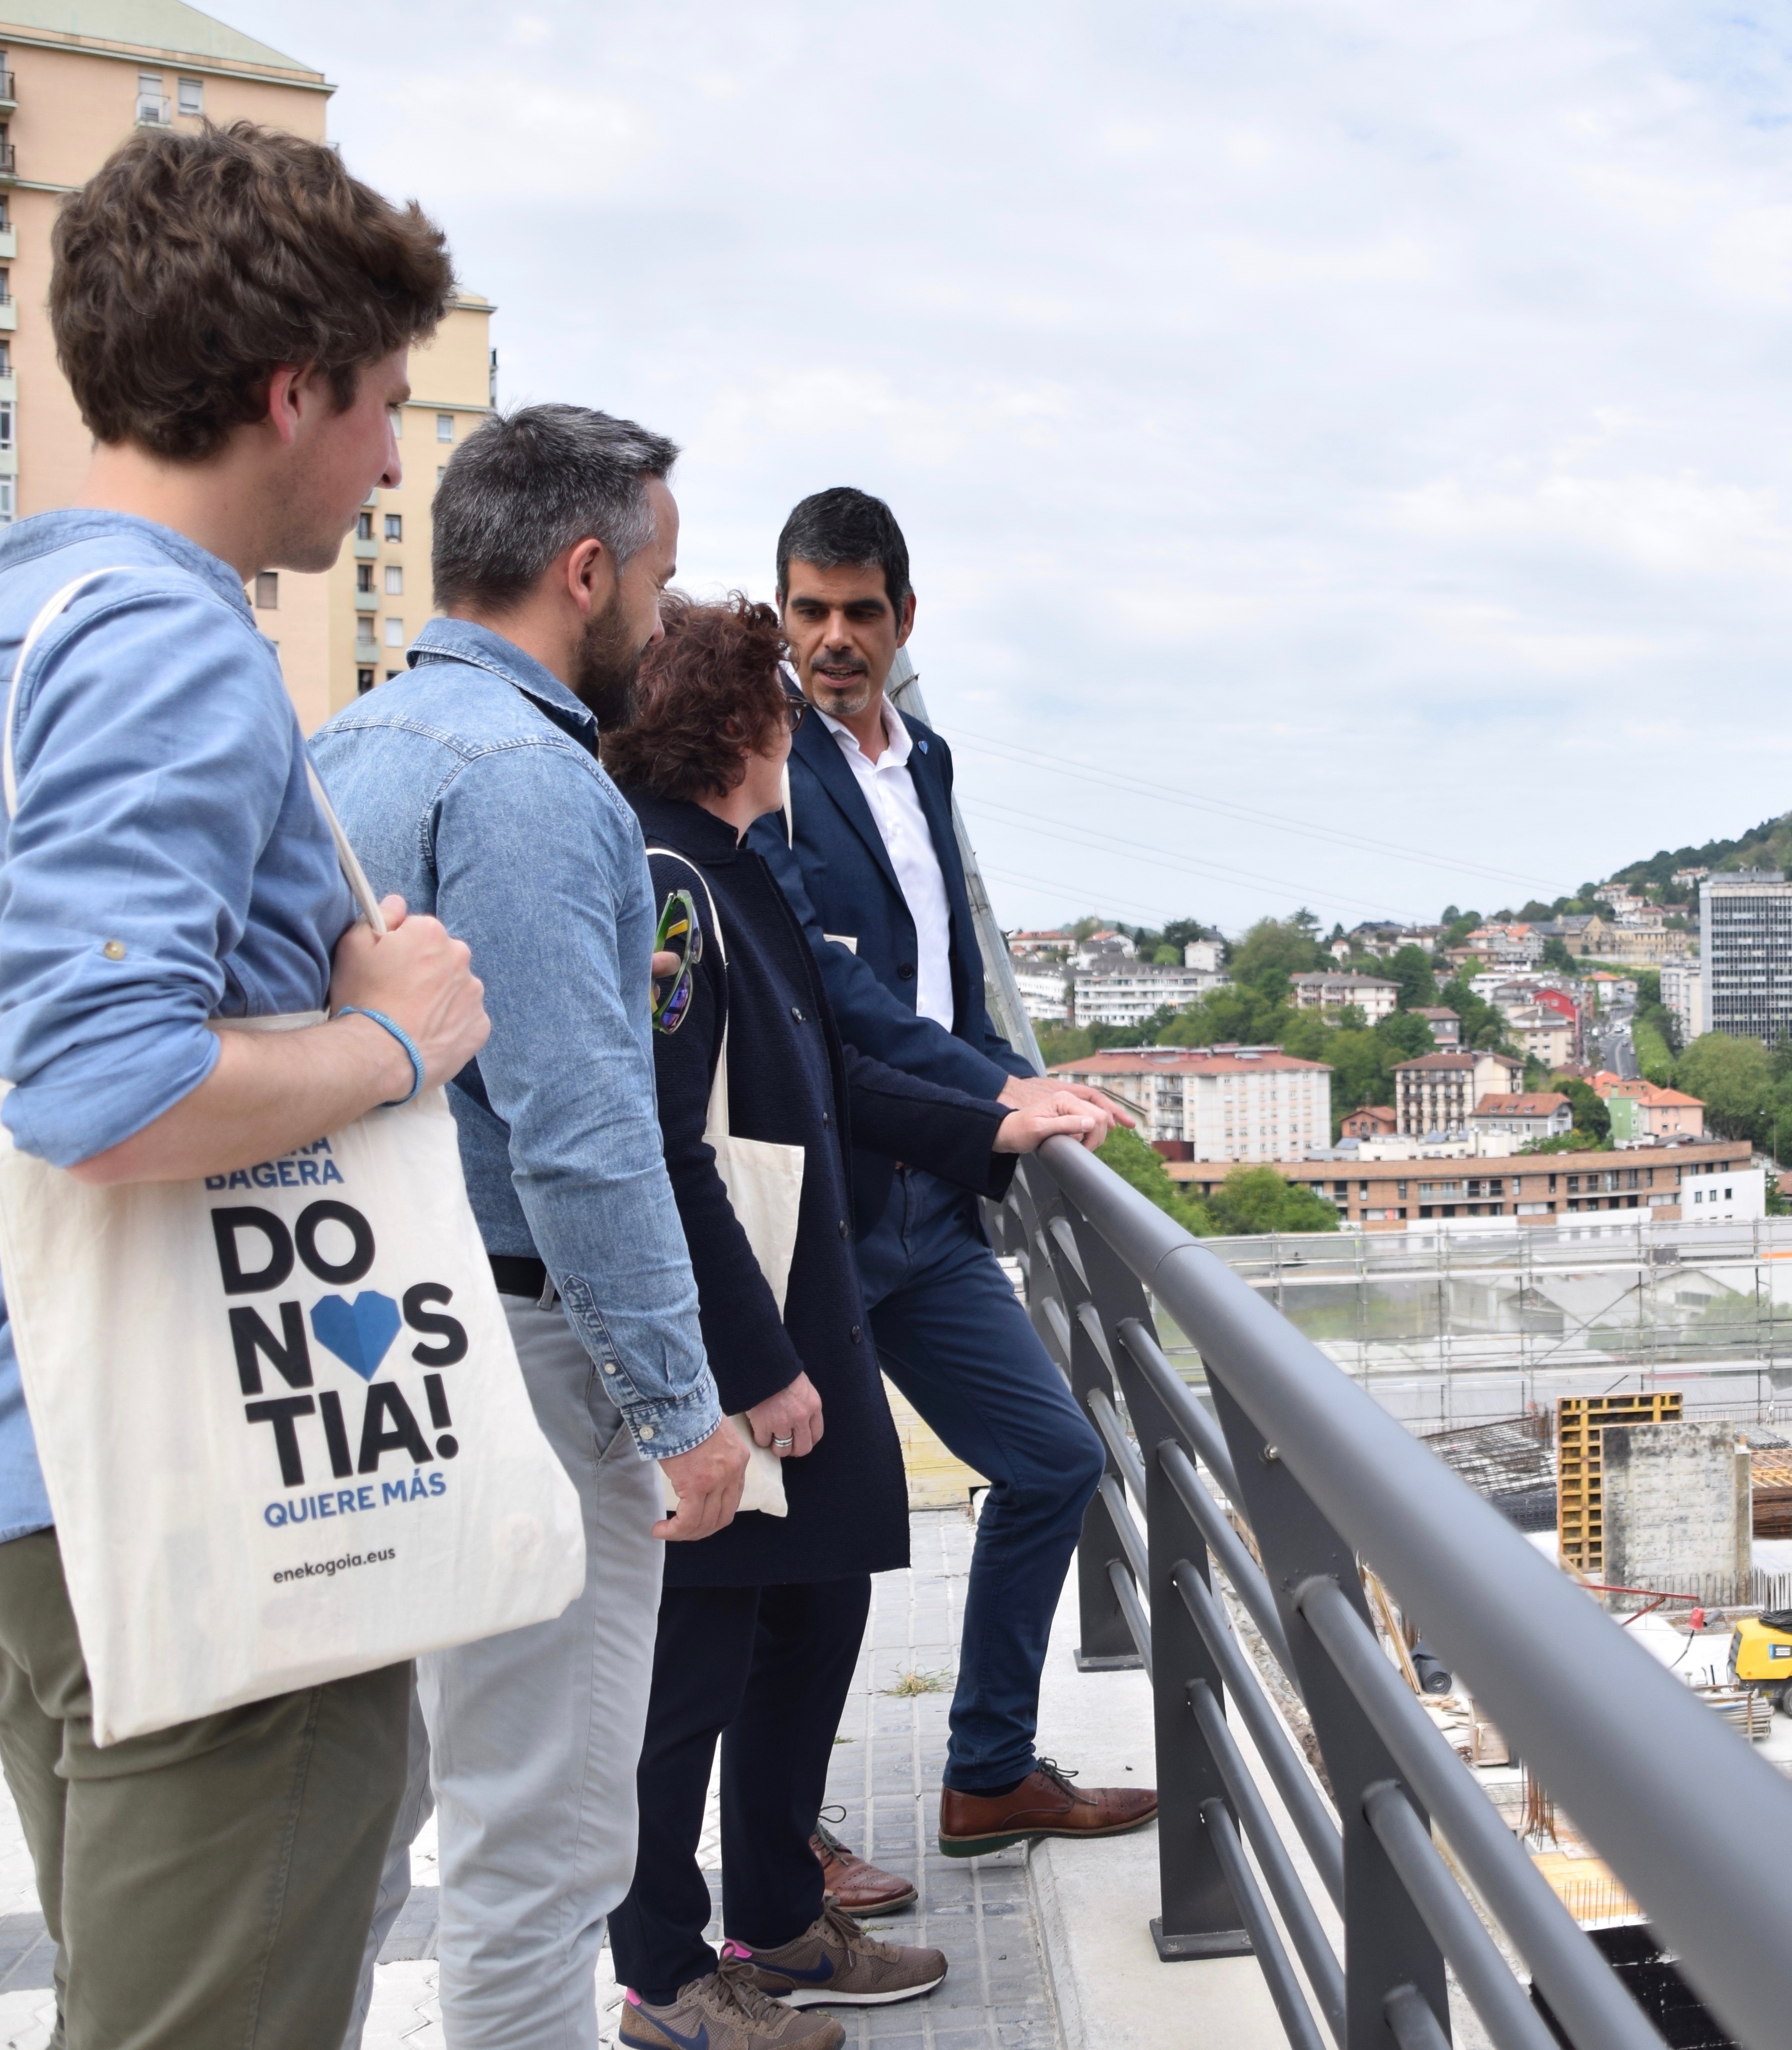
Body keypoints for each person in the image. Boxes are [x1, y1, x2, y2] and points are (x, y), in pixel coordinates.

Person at [0, 124, 483, 2048]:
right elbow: (99, 1081)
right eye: (383, 407)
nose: (390, 464)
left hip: (38, 1455)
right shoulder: (171, 642)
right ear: (292, 392)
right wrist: (396, 1036)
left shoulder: (13, 630)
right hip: (211, 1481)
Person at [319, 405, 755, 2048]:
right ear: (586, 573)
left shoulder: (343, 748)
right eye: (657, 576)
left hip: (370, 1341)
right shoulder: (531, 781)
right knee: (542, 1847)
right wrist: (679, 1407)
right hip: (518, 1347)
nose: (662, 612)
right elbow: (584, 1135)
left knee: (357, 1835)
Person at [602, 597, 1096, 2047]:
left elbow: (838, 1079)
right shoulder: (675, 887)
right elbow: (666, 1144)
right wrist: (757, 1367)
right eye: (776, 705)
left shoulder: (737, 872)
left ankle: (777, 1923)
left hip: (792, 1311)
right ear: (738, 729)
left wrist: (996, 1122)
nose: (796, 730)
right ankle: (667, 1978)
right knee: (694, 1673)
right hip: (737, 1340)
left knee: (817, 1610)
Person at [746, 488, 1154, 1861]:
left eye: (860, 611)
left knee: (1053, 1461)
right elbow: (832, 993)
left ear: (903, 617)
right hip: (822, 1203)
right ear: (783, 614)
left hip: (933, 1197)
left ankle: (987, 1772)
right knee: (811, 1545)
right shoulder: (767, 761)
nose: (834, 638)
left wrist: (1022, 1078)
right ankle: (782, 1849)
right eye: (810, 611)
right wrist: (993, 1096)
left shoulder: (926, 763)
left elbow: (951, 987)